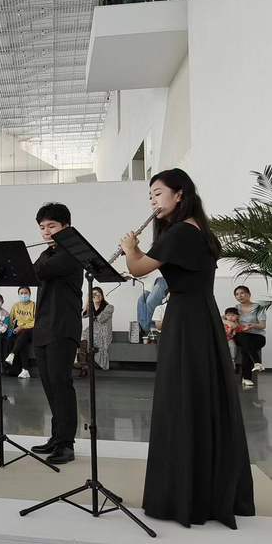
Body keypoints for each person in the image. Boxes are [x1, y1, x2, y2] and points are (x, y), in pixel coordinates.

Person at [121, 168, 254, 528]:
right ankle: (203, 491)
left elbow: (139, 268)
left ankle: (185, 495)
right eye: (150, 196)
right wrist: (141, 248)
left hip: (185, 321)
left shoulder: (179, 232)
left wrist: (130, 248)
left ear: (179, 194)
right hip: (202, 318)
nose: (153, 200)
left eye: (158, 193)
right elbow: (159, 266)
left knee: (181, 399)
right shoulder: (197, 230)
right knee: (199, 399)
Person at [28, 202, 83, 466]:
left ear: (66, 227)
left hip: (62, 327)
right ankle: (56, 436)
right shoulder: (48, 252)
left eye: (52, 226)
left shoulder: (71, 253)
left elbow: (36, 271)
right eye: (42, 227)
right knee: (50, 386)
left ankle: (66, 443)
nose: (46, 232)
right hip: (44, 327)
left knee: (61, 385)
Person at [232, 285, 266, 387]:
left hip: (257, 335)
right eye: (237, 294)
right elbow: (223, 318)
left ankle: (246, 378)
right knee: (245, 340)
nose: (239, 296)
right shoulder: (236, 308)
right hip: (241, 335)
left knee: (245, 347)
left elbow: (263, 325)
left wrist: (253, 326)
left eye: (242, 293)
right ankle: (257, 363)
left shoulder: (259, 308)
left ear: (249, 294)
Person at [77, 286, 115, 379]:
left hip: (103, 332)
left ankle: (84, 368)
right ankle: (84, 366)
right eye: (94, 294)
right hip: (92, 329)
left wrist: (96, 303)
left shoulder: (109, 307)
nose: (96, 296)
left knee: (87, 339)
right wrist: (87, 301)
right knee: (81, 336)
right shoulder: (91, 306)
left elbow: (101, 319)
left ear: (102, 295)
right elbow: (83, 315)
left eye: (98, 294)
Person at [4, 287, 34, 379]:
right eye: (21, 293)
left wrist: (23, 327)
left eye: (26, 293)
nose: (24, 295)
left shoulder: (34, 305)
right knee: (21, 340)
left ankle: (12, 354)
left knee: (24, 333)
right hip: (20, 331)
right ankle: (24, 370)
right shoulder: (16, 306)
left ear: (30, 294)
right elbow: (10, 320)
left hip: (31, 330)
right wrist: (9, 331)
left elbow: (36, 321)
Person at [223, 307, 244, 372]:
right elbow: (227, 333)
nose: (230, 317)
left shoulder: (236, 324)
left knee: (233, 347)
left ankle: (232, 362)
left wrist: (246, 328)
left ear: (237, 316)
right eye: (228, 315)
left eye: (233, 315)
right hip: (223, 339)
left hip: (230, 339)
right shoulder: (224, 324)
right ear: (225, 316)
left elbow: (241, 329)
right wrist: (230, 329)